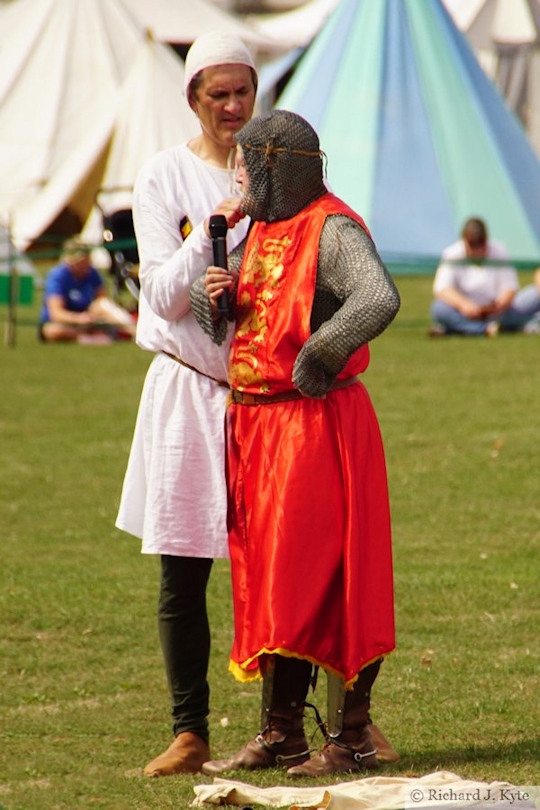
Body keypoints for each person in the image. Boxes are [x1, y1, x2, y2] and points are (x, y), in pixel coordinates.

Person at [190, 109, 401, 777]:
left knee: (332, 577)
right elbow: (259, 314)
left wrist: (326, 348)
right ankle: (282, 732)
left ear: (277, 165)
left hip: (316, 424)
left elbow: (377, 297)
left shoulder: (331, 226)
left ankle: (354, 735)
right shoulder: (258, 229)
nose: (243, 176)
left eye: (252, 163)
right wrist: (214, 299)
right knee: (271, 584)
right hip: (259, 429)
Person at [114, 32, 258, 777]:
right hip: (185, 391)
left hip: (268, 399)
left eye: (244, 92)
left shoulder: (277, 166)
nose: (233, 108)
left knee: (283, 563)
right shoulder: (163, 176)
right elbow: (163, 297)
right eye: (218, 95)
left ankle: (309, 727)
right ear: (193, 98)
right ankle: (190, 731)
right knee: (183, 567)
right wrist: (224, 225)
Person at [429, 217, 540, 337]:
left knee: (533, 295)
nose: (477, 251)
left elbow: (510, 286)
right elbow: (442, 289)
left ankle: (455, 328)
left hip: (500, 310)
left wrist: (502, 302)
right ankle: (484, 329)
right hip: (465, 309)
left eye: (480, 245)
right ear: (464, 240)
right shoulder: (452, 254)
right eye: (472, 246)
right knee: (439, 309)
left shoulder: (499, 250)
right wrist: (464, 304)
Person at [38, 236, 136, 343]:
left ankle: (133, 331)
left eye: (86, 258)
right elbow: (56, 313)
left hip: (89, 319)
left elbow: (102, 300)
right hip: (66, 322)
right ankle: (91, 337)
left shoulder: (93, 273)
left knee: (103, 305)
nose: (84, 262)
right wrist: (79, 318)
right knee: (52, 330)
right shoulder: (57, 276)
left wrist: (94, 317)